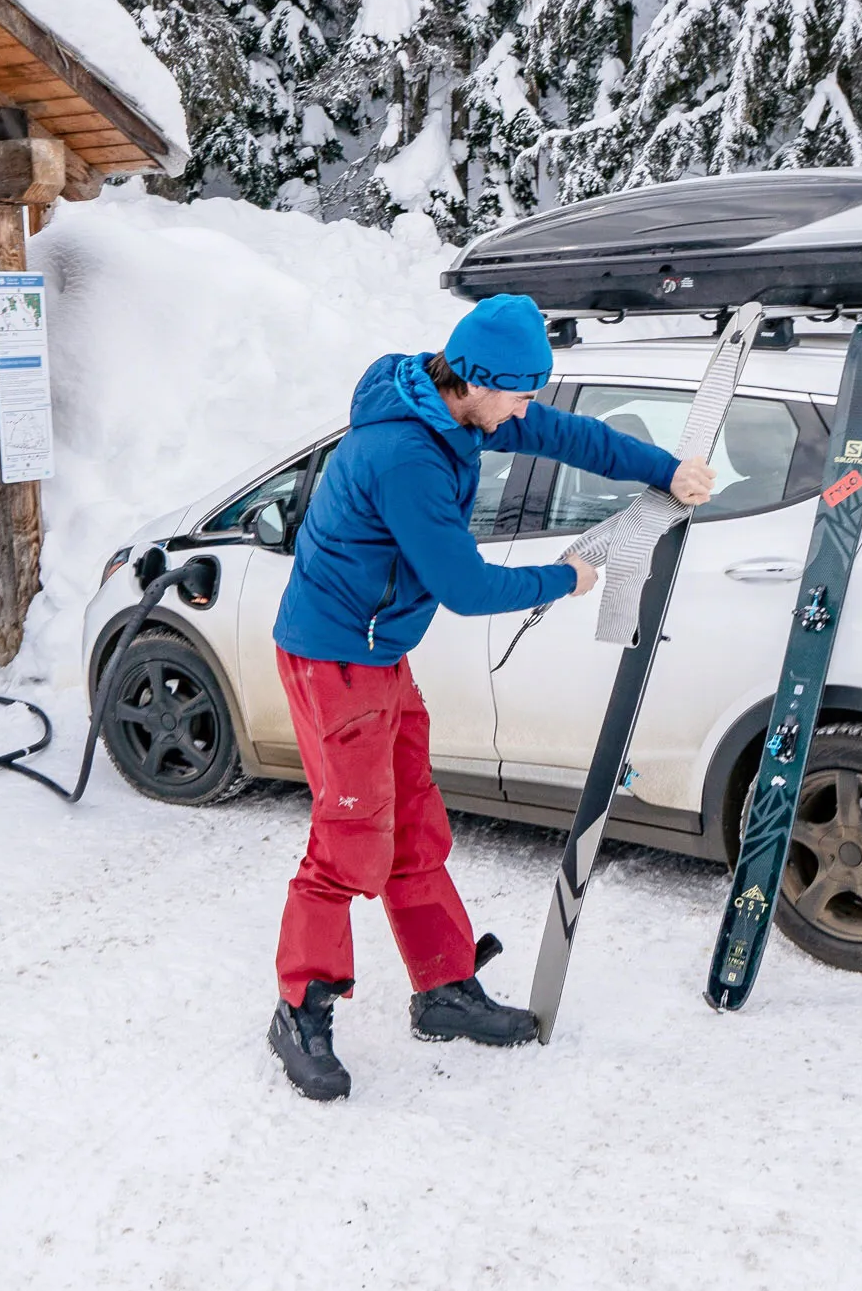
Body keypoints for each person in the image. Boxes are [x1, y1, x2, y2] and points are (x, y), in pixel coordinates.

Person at [265, 294, 715, 1100]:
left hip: (379, 652)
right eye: (517, 395)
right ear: (470, 379)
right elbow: (464, 587)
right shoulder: (405, 456)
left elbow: (573, 436)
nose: (525, 412)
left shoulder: (467, 407)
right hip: (332, 656)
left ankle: (442, 988)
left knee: (415, 824)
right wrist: (565, 578)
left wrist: (664, 471)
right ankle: (301, 1002)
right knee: (350, 838)